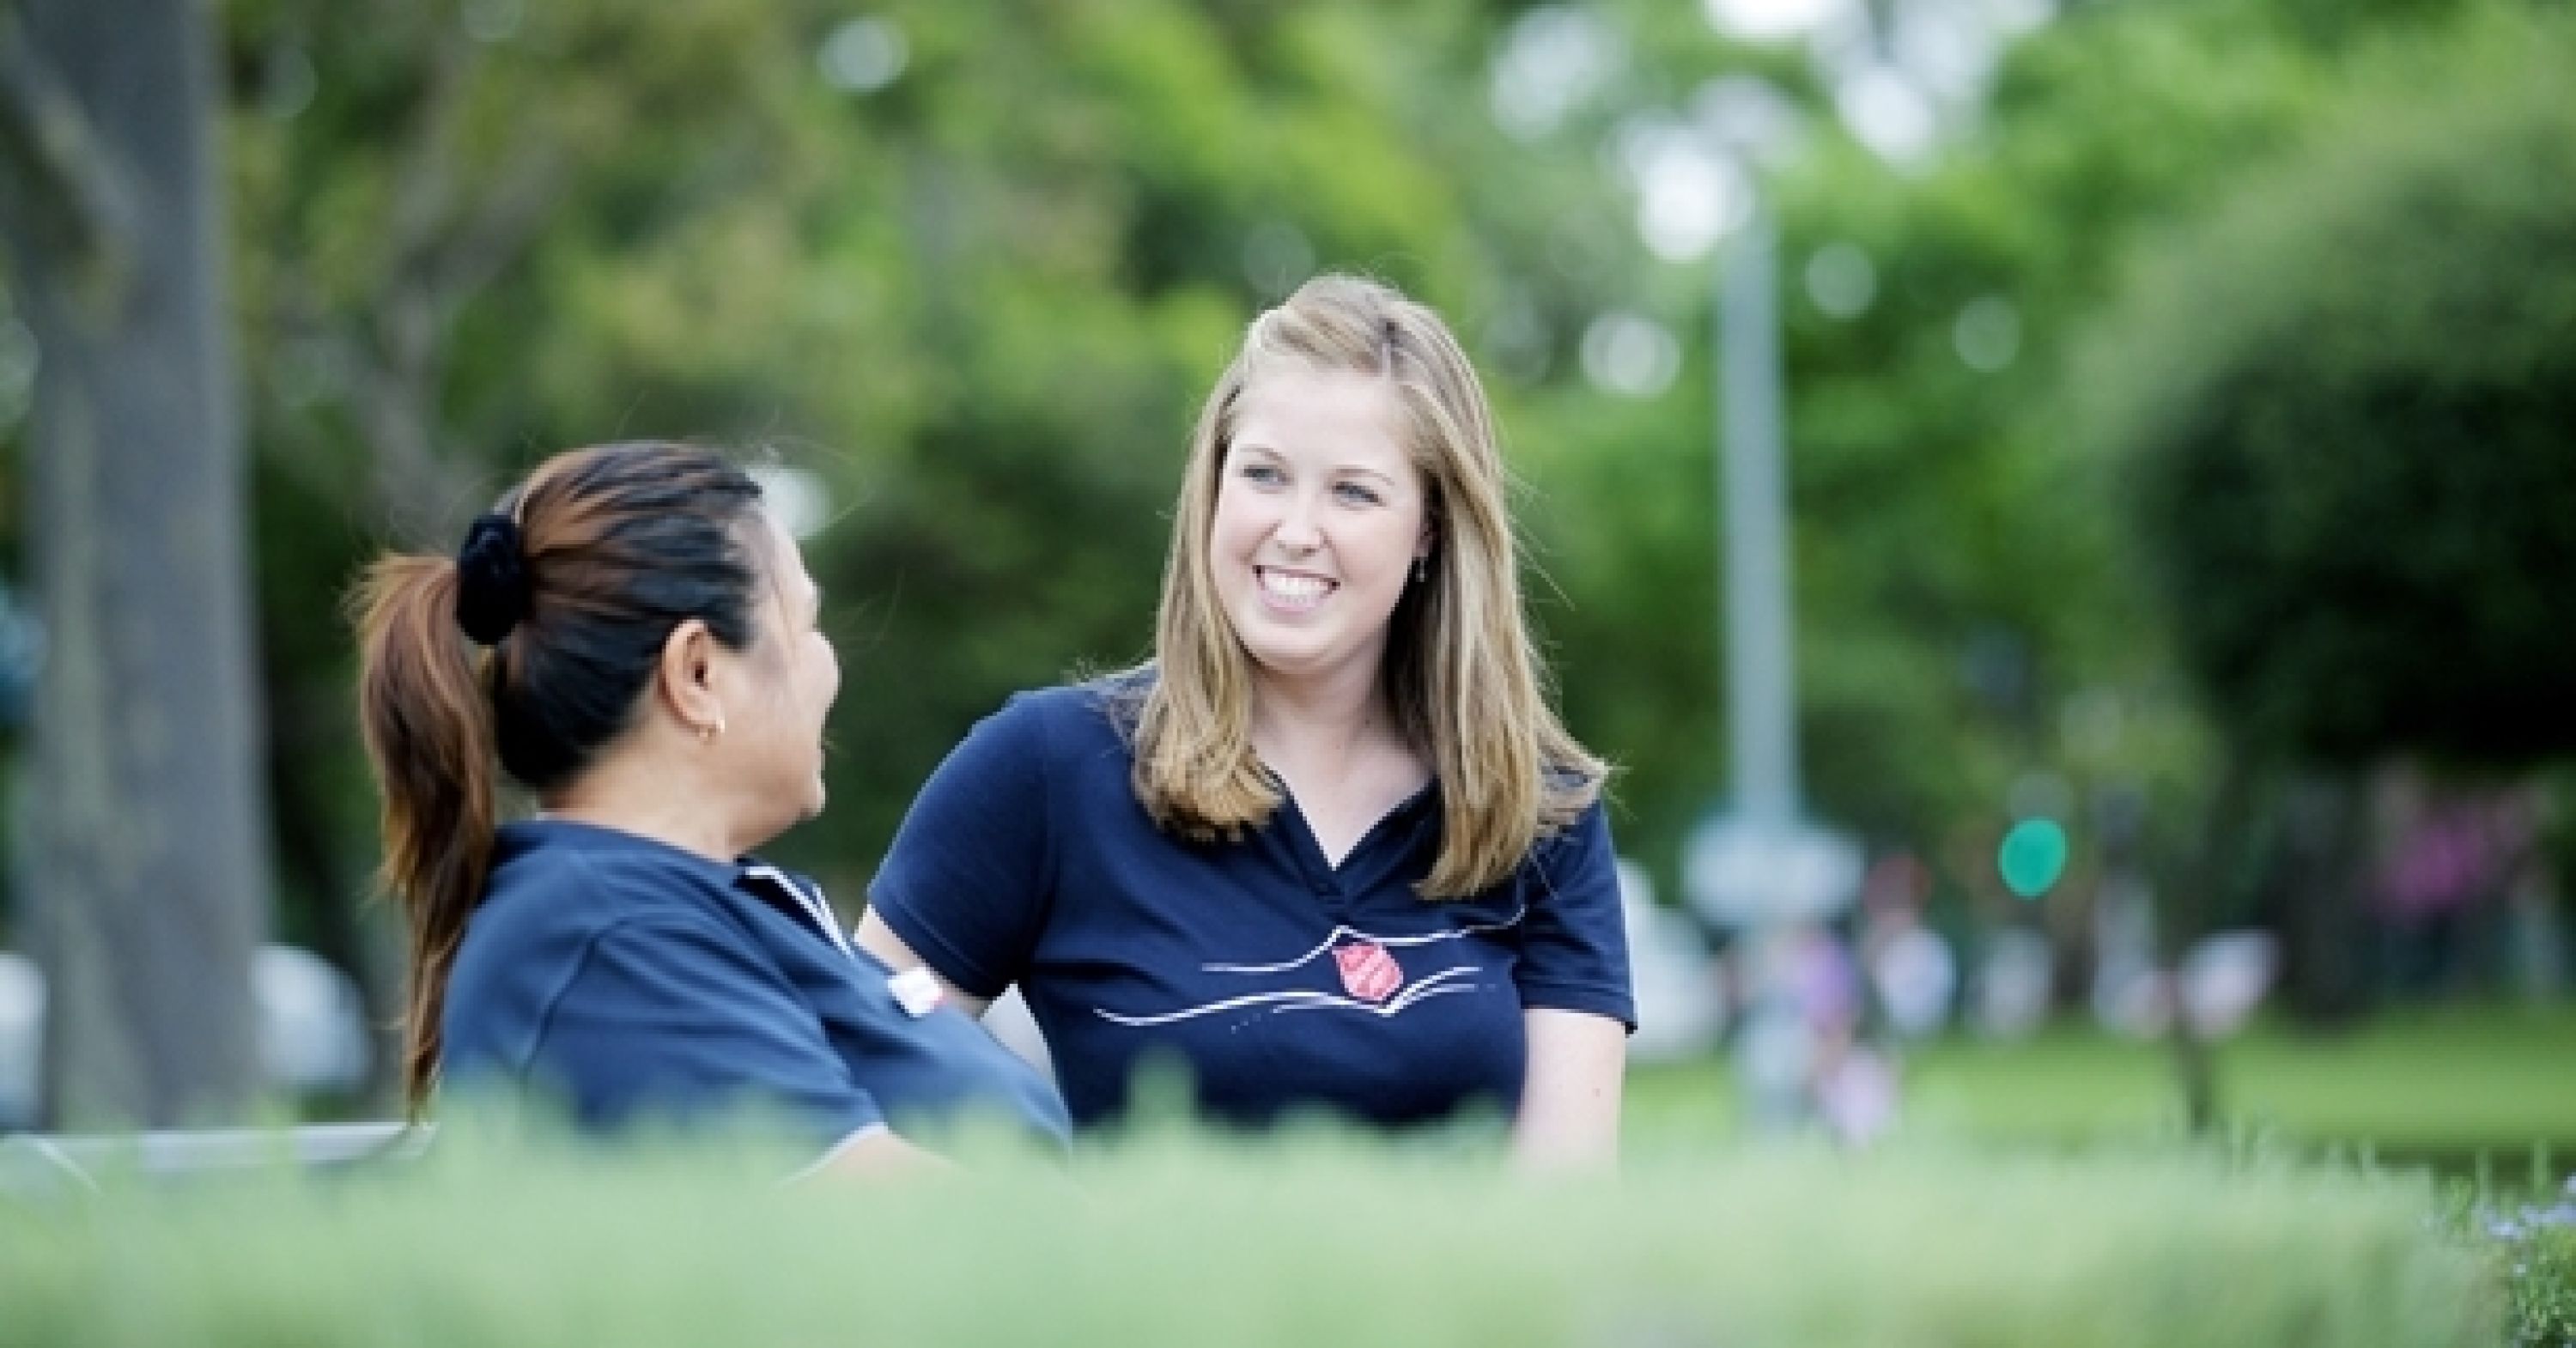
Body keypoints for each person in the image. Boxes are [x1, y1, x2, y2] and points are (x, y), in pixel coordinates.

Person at [857, 276, 1632, 1169]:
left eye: (1354, 492)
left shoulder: (1539, 810)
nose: (1296, 529)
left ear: (1430, 528)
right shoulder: (1044, 767)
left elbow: (1565, 1197)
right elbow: (852, 1067)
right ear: (1214, 489)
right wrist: (1038, 1220)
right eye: (1264, 475)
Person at [353, 441, 1067, 1174]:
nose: (828, 665)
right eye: (807, 626)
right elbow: (879, 1210)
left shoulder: (677, 909)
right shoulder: (609, 941)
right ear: (695, 673)